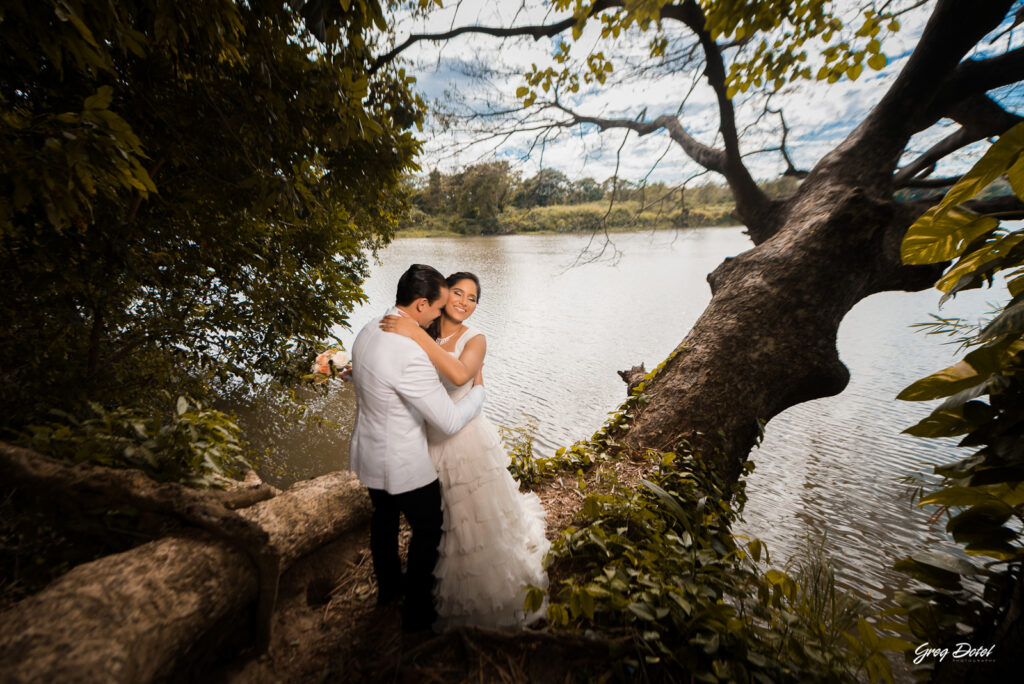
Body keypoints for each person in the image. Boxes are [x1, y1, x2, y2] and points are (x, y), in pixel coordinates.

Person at [380, 271, 549, 630]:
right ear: (442, 296)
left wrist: (413, 334)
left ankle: (475, 589)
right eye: (458, 293)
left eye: (472, 298)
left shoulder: (475, 340)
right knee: (434, 518)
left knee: (472, 518)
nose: (464, 302)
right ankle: (425, 581)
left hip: (465, 440)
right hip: (425, 438)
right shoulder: (422, 328)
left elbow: (459, 375)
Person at [348, 264, 486, 632]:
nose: (442, 314)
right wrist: (480, 393)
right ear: (422, 305)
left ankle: (388, 592)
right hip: (403, 460)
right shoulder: (409, 352)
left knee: (384, 520)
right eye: (439, 307)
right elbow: (450, 421)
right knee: (430, 527)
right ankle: (418, 614)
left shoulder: (369, 328)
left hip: (369, 452)